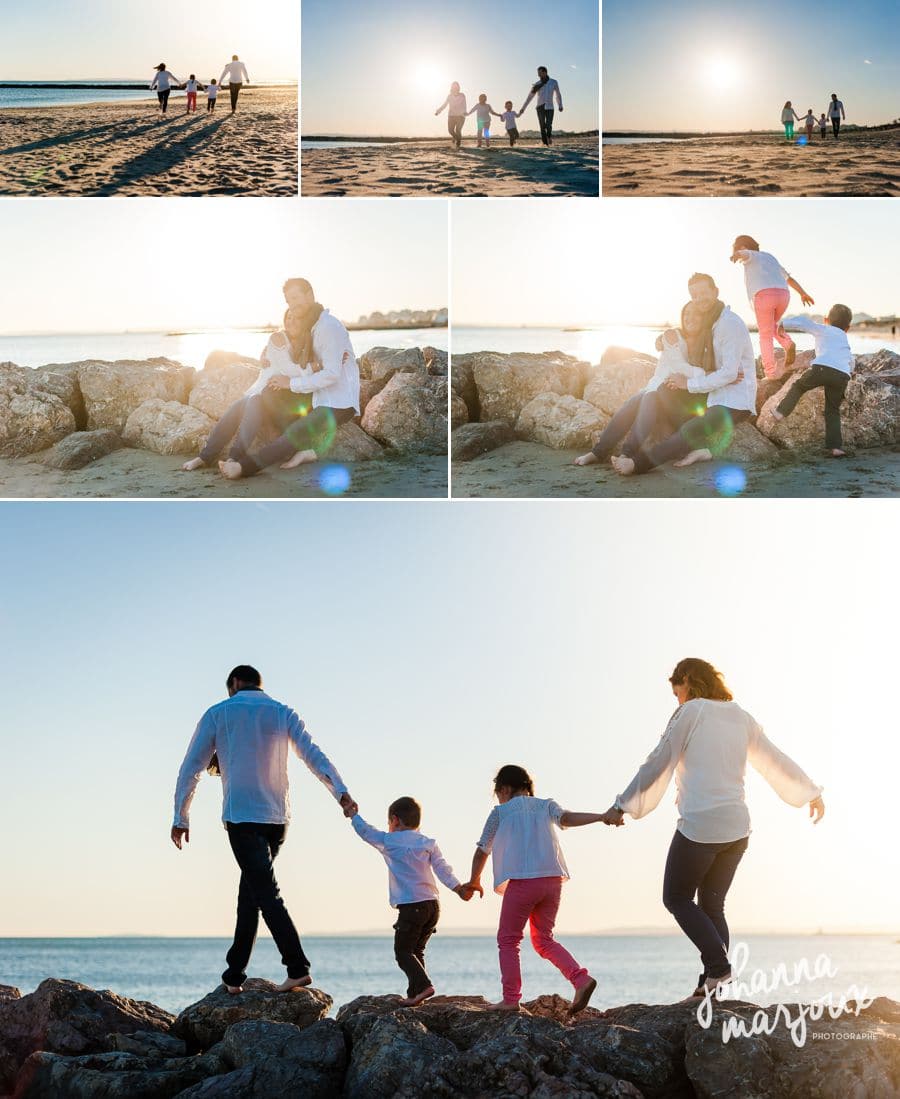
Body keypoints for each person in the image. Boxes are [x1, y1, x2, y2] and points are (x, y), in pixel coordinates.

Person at [603, 658, 825, 999]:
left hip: (700, 826)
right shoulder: (741, 716)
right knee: (712, 904)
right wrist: (809, 791)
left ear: (688, 681)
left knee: (676, 897)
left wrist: (623, 804)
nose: (676, 700)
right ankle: (711, 985)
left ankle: (718, 968)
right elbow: (773, 759)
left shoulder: (692, 711)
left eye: (676, 691)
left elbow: (659, 758)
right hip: (737, 829)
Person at [171, 665, 357, 994]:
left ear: (234, 684)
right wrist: (340, 792)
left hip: (242, 818)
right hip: (277, 818)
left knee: (266, 894)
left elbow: (192, 767)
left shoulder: (219, 713)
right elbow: (314, 755)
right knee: (251, 895)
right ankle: (234, 975)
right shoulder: (283, 712)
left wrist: (180, 816)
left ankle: (297, 966)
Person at [464, 764, 614, 1014]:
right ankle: (580, 979)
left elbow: (482, 850)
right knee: (543, 939)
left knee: (508, 940)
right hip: (552, 881)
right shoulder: (546, 805)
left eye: (498, 792)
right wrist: (600, 816)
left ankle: (511, 999)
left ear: (506, 788)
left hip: (522, 882)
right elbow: (567, 818)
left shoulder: (500, 813)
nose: (498, 798)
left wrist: (474, 880)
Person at [611, 272, 757, 474]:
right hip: (713, 394)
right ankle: (700, 449)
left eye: (704, 293)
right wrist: (663, 340)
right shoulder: (709, 323)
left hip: (735, 401)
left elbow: (729, 374)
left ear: (715, 292)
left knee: (690, 428)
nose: (699, 299)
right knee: (664, 390)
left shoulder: (728, 324)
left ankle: (637, 464)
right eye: (694, 295)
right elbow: (688, 338)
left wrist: (687, 384)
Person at [219, 278, 361, 479]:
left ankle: (243, 467)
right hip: (316, 395)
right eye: (288, 301)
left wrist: (291, 383)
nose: (292, 305)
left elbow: (332, 374)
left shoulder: (328, 327)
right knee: (269, 394)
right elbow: (288, 347)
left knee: (296, 430)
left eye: (295, 297)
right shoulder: (310, 326)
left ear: (310, 294)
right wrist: (267, 354)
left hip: (338, 403)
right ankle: (305, 450)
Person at [347, 796, 478, 1006]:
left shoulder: (390, 841)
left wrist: (353, 815)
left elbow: (366, 832)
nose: (388, 827)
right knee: (416, 951)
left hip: (412, 907)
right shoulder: (427, 843)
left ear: (395, 820)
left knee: (403, 952)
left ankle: (424, 985)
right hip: (433, 906)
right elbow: (443, 869)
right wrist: (459, 889)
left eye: (389, 822)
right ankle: (415, 995)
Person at [574, 302, 707, 468]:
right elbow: (678, 366)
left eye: (695, 313)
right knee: (634, 403)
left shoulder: (704, 341)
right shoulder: (672, 334)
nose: (690, 317)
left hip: (673, 395)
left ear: (704, 317)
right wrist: (702, 373)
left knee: (644, 399)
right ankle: (602, 453)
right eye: (686, 313)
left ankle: (621, 454)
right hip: (658, 387)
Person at [181, 307, 311, 473]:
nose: (291, 321)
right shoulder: (278, 337)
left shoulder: (306, 342)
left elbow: (291, 370)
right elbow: (286, 368)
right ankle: (212, 457)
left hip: (277, 399)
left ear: (304, 320)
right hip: (263, 393)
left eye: (296, 318)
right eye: (288, 317)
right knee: (239, 408)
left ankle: (226, 458)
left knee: (250, 403)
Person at [771, 304, 854, 457]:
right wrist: (851, 372)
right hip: (842, 375)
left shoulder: (823, 329)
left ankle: (780, 412)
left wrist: (783, 324)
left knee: (799, 386)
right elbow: (850, 359)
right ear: (848, 328)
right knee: (832, 410)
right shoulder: (844, 338)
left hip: (822, 368)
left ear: (826, 320)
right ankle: (836, 447)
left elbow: (803, 323)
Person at [730, 235, 814, 380]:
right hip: (783, 295)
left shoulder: (750, 255)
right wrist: (803, 293)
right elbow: (789, 279)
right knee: (771, 326)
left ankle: (770, 372)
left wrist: (737, 254)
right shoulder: (770, 258)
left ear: (742, 247)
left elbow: (745, 253)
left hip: (764, 296)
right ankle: (787, 343)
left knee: (765, 335)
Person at [520, 66, 563, 147]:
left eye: (540, 73)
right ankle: (545, 144)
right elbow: (529, 97)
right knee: (542, 126)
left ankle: (549, 136)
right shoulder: (537, 84)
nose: (538, 75)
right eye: (538, 73)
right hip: (540, 107)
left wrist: (560, 105)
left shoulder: (553, 82)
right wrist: (523, 108)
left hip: (550, 107)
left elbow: (558, 94)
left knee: (548, 124)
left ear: (545, 72)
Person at [435, 82, 468, 149]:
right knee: (450, 130)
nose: (455, 88)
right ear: (452, 87)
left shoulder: (462, 95)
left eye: (456, 86)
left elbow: (464, 104)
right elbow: (445, 104)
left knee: (458, 130)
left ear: (458, 87)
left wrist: (464, 112)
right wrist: (438, 111)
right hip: (451, 116)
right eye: (454, 86)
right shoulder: (449, 96)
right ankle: (457, 139)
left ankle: (458, 144)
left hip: (460, 116)